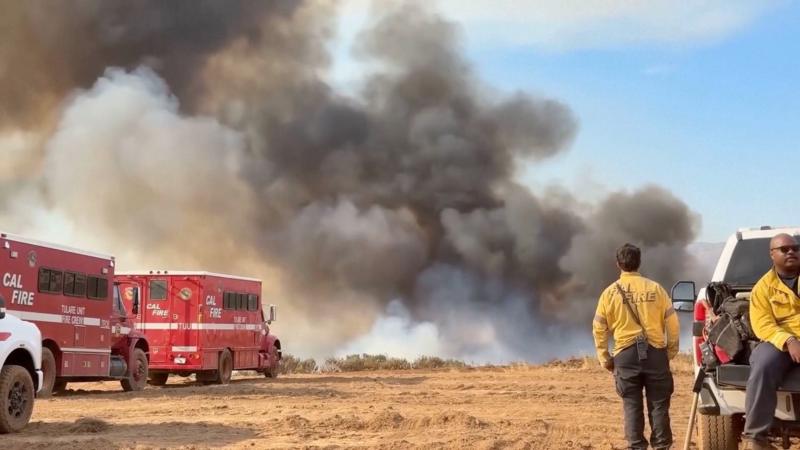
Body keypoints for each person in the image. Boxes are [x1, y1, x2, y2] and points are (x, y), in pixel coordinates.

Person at [592, 243, 680, 450]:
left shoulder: (609, 293)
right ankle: (661, 446)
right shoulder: (656, 289)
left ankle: (636, 446)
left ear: (618, 264)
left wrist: (605, 358)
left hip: (625, 357)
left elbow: (598, 328)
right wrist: (670, 352)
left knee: (631, 406)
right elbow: (673, 325)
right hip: (656, 354)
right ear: (639, 263)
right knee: (659, 406)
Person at [742, 233, 800, 450]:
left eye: (795, 248)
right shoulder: (762, 288)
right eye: (784, 249)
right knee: (763, 362)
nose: (791, 252)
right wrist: (789, 340)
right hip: (781, 342)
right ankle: (755, 439)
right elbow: (762, 324)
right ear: (772, 254)